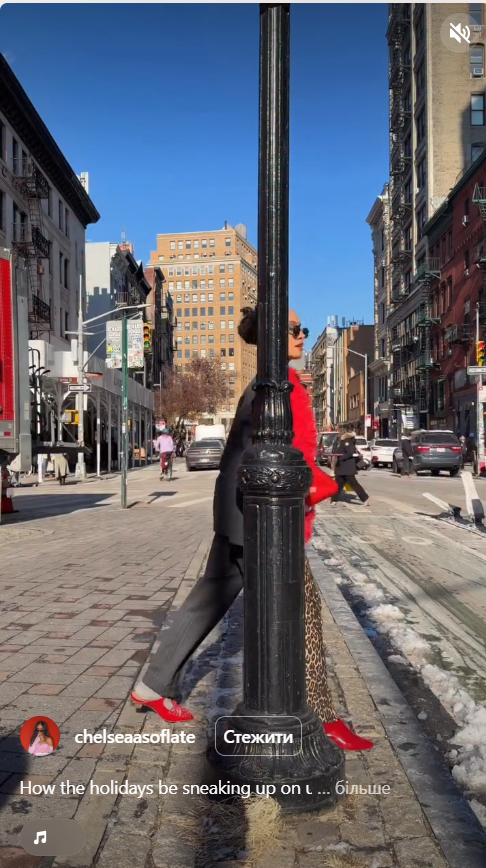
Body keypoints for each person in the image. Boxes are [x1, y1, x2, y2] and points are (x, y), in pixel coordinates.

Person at [131, 309, 373, 752]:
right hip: (263, 518)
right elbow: (283, 455)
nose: (302, 336)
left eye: (303, 329)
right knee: (304, 613)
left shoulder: (265, 383)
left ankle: (151, 686)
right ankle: (322, 719)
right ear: (272, 335)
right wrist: (321, 485)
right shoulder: (280, 386)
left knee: (208, 598)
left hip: (238, 510)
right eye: (294, 329)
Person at [331, 425, 370, 506]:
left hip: (347, 467)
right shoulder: (343, 441)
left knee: (354, 484)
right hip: (342, 468)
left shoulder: (347, 441)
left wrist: (341, 458)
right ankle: (334, 499)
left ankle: (365, 498)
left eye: (340, 431)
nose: (338, 433)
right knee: (338, 485)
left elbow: (350, 453)